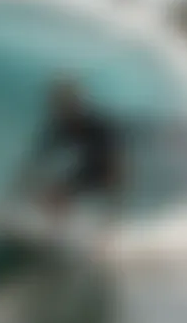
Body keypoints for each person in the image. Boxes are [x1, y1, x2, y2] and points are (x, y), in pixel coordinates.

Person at [14, 77, 125, 223]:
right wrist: (22, 183)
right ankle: (55, 224)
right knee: (51, 192)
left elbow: (115, 156)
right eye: (57, 103)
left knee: (59, 193)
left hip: (107, 169)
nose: (57, 107)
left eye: (62, 102)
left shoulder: (95, 124)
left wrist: (115, 182)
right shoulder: (60, 125)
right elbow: (39, 157)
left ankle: (106, 229)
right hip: (88, 168)